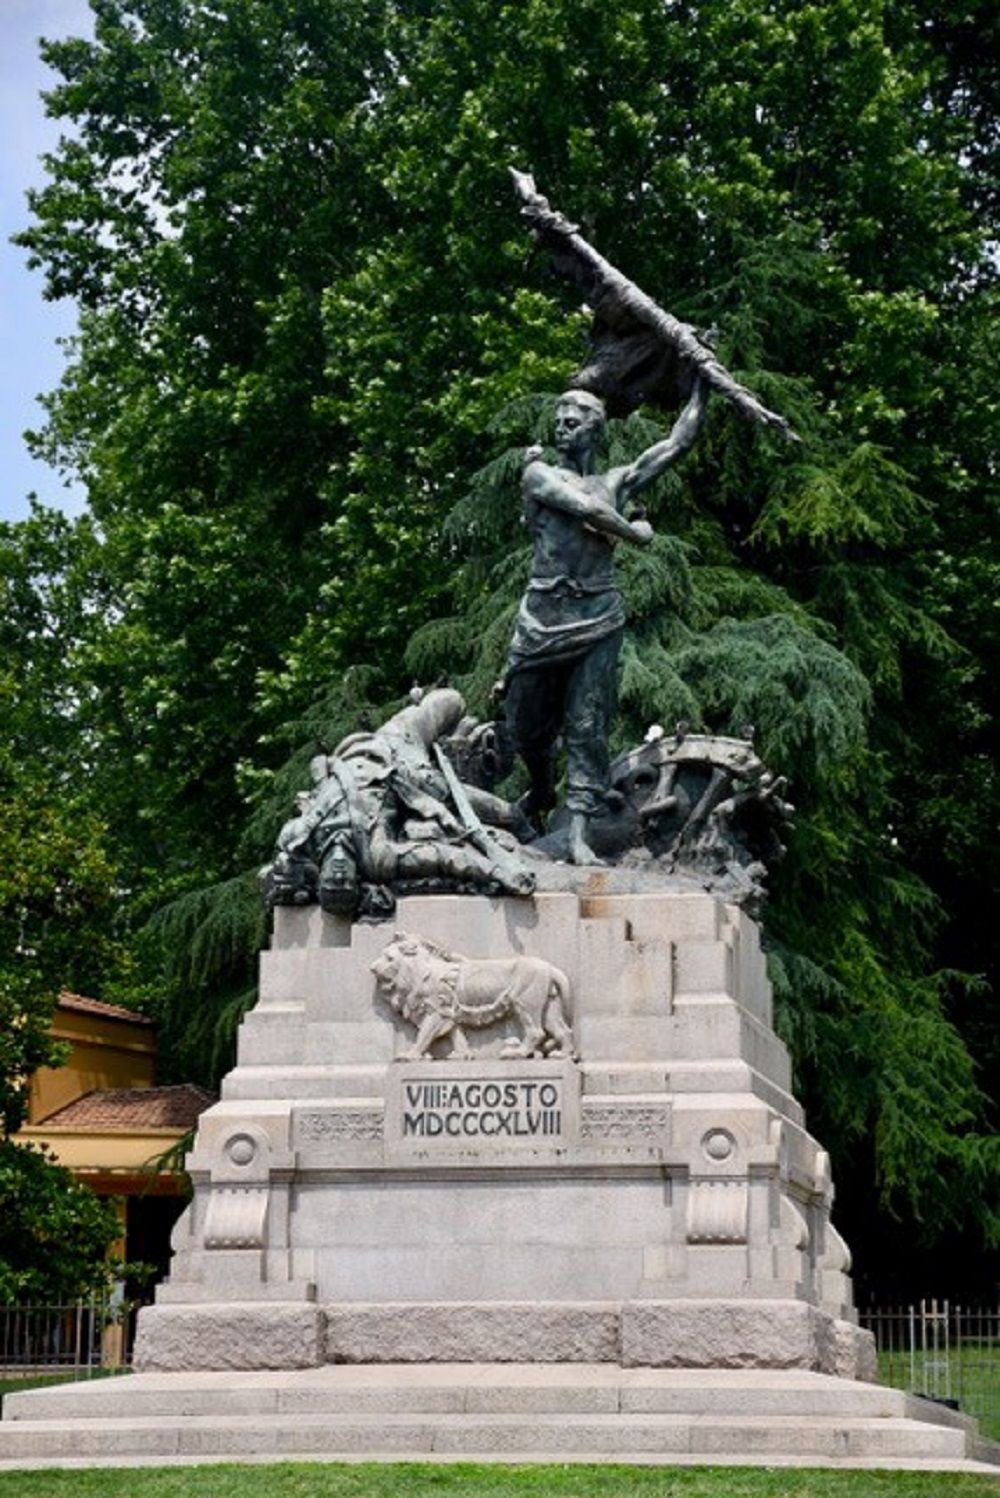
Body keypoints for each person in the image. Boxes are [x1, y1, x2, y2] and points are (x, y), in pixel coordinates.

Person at [503, 376, 708, 864]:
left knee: (587, 723)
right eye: (558, 420)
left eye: (574, 421)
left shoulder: (617, 480)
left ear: (596, 431)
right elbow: (588, 509)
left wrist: (701, 385)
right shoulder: (538, 473)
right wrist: (637, 535)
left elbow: (676, 444)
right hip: (543, 617)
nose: (563, 427)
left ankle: (578, 836)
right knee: (526, 725)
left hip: (598, 615)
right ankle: (539, 786)